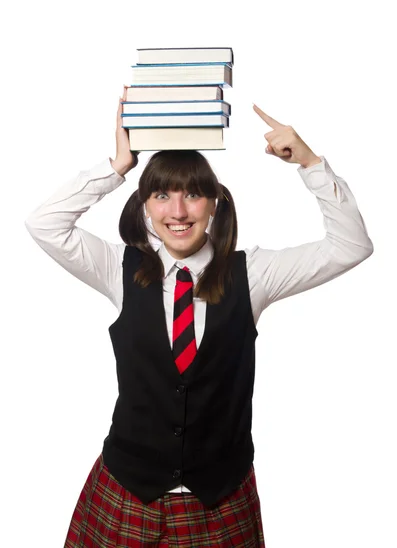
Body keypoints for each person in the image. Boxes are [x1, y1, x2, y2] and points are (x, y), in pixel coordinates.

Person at [24, 88, 374, 548]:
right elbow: (44, 223)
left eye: (193, 195)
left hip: (220, 500)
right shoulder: (118, 268)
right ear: (145, 206)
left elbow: (352, 247)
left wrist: (310, 164)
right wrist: (117, 168)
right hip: (128, 489)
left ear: (215, 204)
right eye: (161, 195)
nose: (178, 211)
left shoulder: (254, 274)